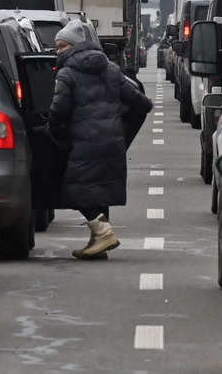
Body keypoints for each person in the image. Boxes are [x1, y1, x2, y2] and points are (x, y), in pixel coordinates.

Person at [49, 20, 153, 259]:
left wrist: (54, 130)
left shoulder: (67, 73)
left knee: (74, 190)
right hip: (111, 143)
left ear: (75, 46)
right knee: (100, 192)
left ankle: (103, 233)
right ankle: (98, 244)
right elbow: (141, 103)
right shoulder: (111, 70)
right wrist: (123, 130)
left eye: (62, 46)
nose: (58, 52)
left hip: (84, 142)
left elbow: (59, 110)